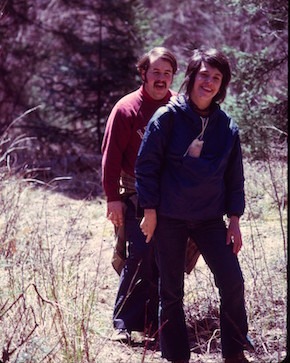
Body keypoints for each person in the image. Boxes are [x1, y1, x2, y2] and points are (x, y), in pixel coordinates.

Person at [135, 48, 255, 363]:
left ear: (222, 85)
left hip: (210, 220)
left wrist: (235, 220)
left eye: (217, 78)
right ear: (192, 76)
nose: (209, 82)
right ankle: (176, 356)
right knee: (171, 292)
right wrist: (149, 211)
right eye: (204, 75)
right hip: (169, 217)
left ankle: (234, 352)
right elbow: (146, 166)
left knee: (232, 281)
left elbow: (234, 177)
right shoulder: (167, 118)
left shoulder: (226, 126)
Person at [101, 47, 178, 343]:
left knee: (166, 256)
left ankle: (155, 323)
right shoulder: (126, 108)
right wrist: (113, 198)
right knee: (140, 253)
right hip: (134, 191)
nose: (161, 79)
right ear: (143, 73)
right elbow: (110, 158)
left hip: (171, 194)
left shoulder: (178, 108)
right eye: (155, 72)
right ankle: (123, 322)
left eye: (167, 73)